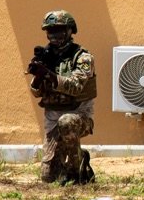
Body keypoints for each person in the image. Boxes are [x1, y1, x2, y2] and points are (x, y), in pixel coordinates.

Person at [27, 10, 96, 184]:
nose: (54, 35)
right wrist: (38, 76)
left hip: (78, 116)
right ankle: (77, 157)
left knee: (66, 122)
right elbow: (37, 93)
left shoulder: (82, 58)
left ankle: (76, 170)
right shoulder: (47, 56)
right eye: (50, 31)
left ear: (70, 31)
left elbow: (75, 87)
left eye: (59, 30)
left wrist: (50, 75)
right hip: (52, 119)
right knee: (48, 176)